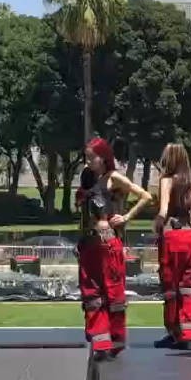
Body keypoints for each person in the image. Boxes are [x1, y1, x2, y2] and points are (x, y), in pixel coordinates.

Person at [76, 138, 152, 360]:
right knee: (92, 294)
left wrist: (125, 217)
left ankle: (115, 340)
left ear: (103, 157)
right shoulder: (87, 178)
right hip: (89, 244)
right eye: (87, 157)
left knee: (113, 291)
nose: (88, 161)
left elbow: (146, 196)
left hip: (107, 243)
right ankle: (100, 342)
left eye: (92, 157)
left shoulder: (113, 177)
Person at [153, 143, 191, 351]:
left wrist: (157, 224)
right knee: (190, 285)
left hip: (173, 237)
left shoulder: (166, 180)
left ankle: (175, 332)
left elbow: (164, 209)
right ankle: (190, 332)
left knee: (171, 286)